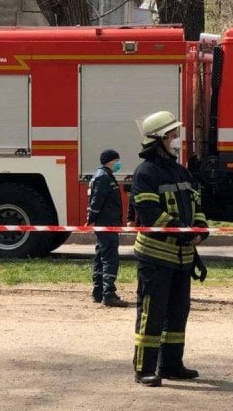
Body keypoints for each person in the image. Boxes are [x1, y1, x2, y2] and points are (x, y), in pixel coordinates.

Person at [131, 110, 209, 387]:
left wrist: (200, 229)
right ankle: (144, 368)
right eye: (172, 135)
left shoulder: (180, 171)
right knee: (152, 313)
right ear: (159, 139)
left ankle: (171, 365)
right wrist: (182, 232)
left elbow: (196, 205)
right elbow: (149, 213)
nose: (177, 140)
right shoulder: (145, 173)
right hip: (156, 257)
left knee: (178, 313)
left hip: (182, 257)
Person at [86, 148, 129, 307]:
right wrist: (91, 218)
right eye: (117, 160)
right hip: (107, 223)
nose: (118, 163)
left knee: (101, 256)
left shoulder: (102, 175)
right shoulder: (104, 177)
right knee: (110, 257)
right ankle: (109, 294)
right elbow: (97, 200)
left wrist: (92, 218)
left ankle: (98, 292)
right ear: (110, 161)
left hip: (105, 223)